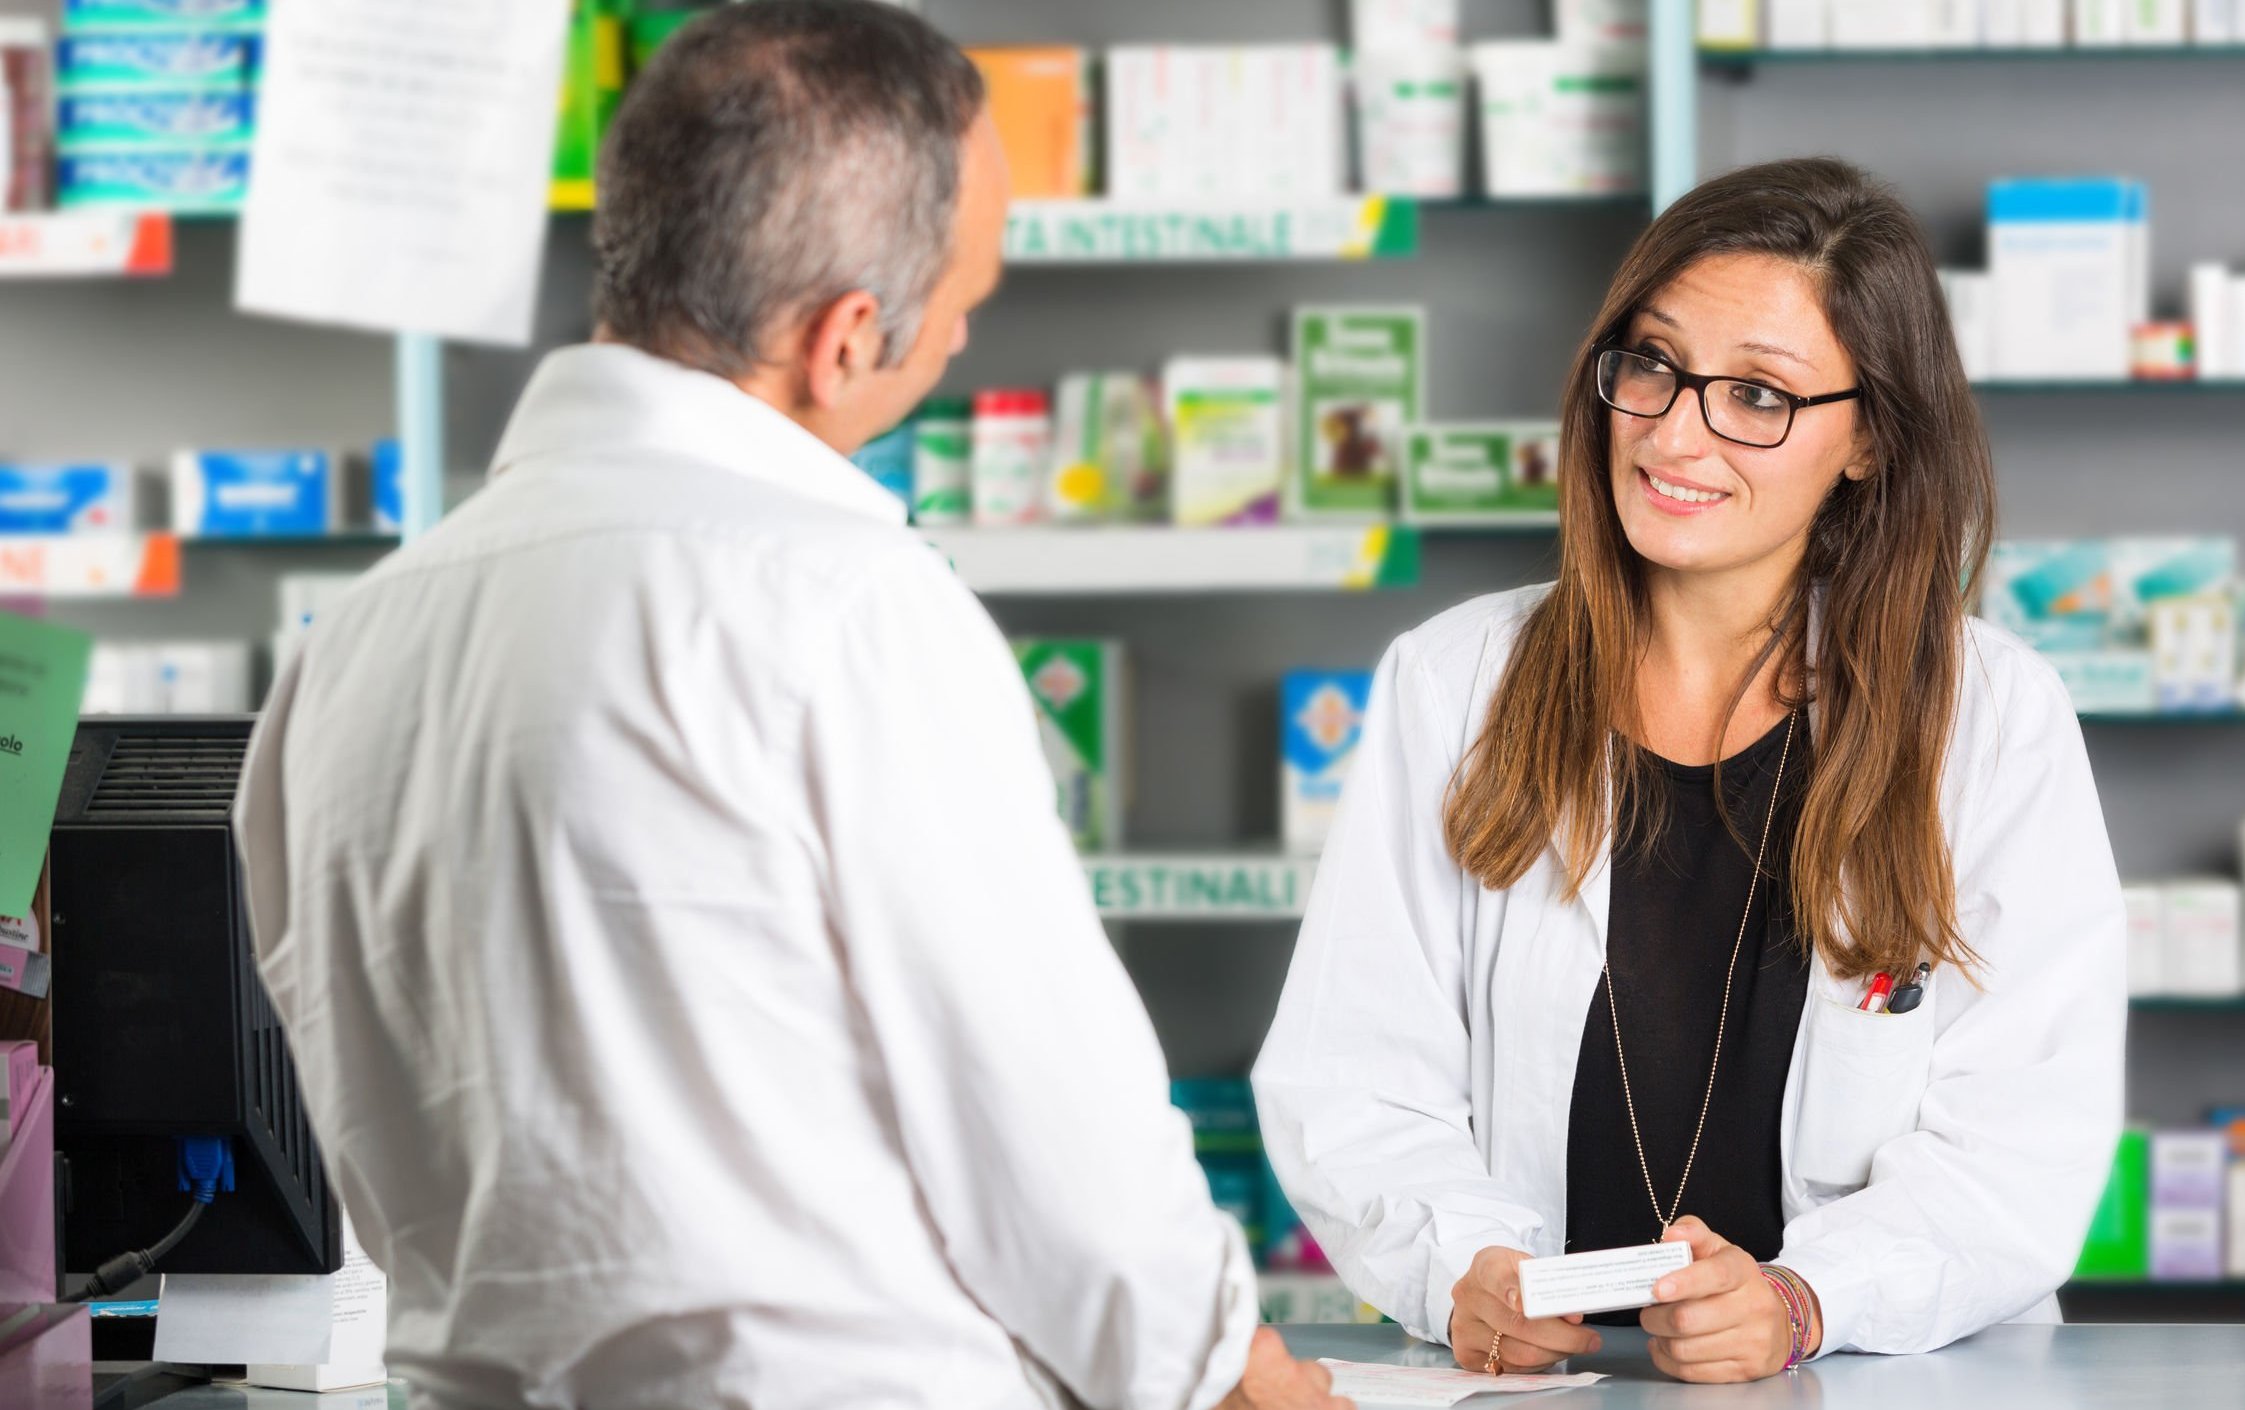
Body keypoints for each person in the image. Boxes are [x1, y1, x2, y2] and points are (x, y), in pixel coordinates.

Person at [234, 5, 1346, 1408]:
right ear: (843, 338)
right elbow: (1043, 1116)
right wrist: (1226, 1369)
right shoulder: (843, 603)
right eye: (964, 305)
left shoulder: (355, 641)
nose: (956, 340)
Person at [1251, 157, 2127, 1385]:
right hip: (1539, 1380)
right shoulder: (1455, 686)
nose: (1674, 431)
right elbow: (1353, 1081)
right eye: (1653, 365)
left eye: (1759, 395)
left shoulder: (1988, 721)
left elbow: (2018, 1147)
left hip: (1872, 1376)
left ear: (1869, 438)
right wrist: (1464, 1271)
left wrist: (1804, 1301)